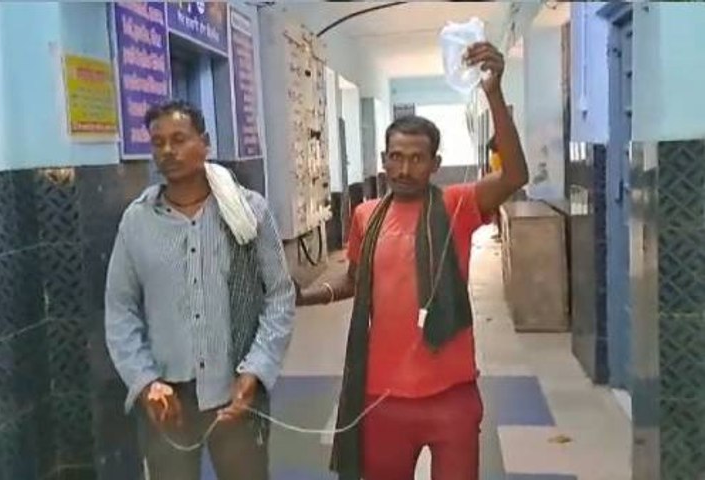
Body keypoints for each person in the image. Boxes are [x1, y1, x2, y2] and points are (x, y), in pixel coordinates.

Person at [296, 42, 528, 480]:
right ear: (383, 160)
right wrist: (304, 296)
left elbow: (515, 175)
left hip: (452, 394)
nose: (404, 169)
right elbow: (354, 281)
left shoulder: (457, 205)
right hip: (382, 396)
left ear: (435, 163)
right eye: (396, 158)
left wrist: (494, 93)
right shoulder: (366, 215)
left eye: (417, 159)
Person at [105, 100, 296, 480]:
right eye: (158, 142)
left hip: (236, 391)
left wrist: (256, 371)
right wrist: (145, 382)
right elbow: (120, 309)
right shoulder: (137, 221)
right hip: (168, 400)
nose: (167, 151)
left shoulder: (248, 212)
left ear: (204, 143)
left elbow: (279, 295)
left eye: (179, 139)